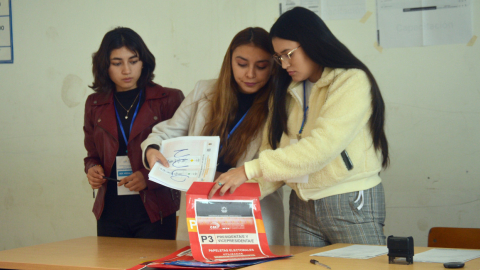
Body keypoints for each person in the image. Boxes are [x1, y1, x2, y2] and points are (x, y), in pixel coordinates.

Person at [209, 7, 389, 247]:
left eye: (288, 54)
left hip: (347, 199)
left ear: (312, 42)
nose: (283, 64)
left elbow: (321, 147)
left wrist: (247, 170)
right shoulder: (285, 91)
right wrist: (232, 194)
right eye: (279, 57)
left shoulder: (351, 80)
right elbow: (273, 156)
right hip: (301, 205)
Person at [141, 27, 285, 245]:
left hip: (250, 209)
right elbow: (167, 132)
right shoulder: (204, 91)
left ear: (274, 66)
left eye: (261, 66)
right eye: (242, 64)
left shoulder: (280, 103)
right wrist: (152, 150)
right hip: (202, 204)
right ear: (229, 61)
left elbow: (281, 163)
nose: (250, 74)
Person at [83, 27, 184, 239]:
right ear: (105, 66)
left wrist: (149, 177)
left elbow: (181, 156)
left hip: (155, 208)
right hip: (110, 208)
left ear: (143, 62)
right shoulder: (95, 104)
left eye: (133, 60)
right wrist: (92, 169)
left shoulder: (168, 100)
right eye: (117, 63)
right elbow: (92, 155)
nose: (126, 70)